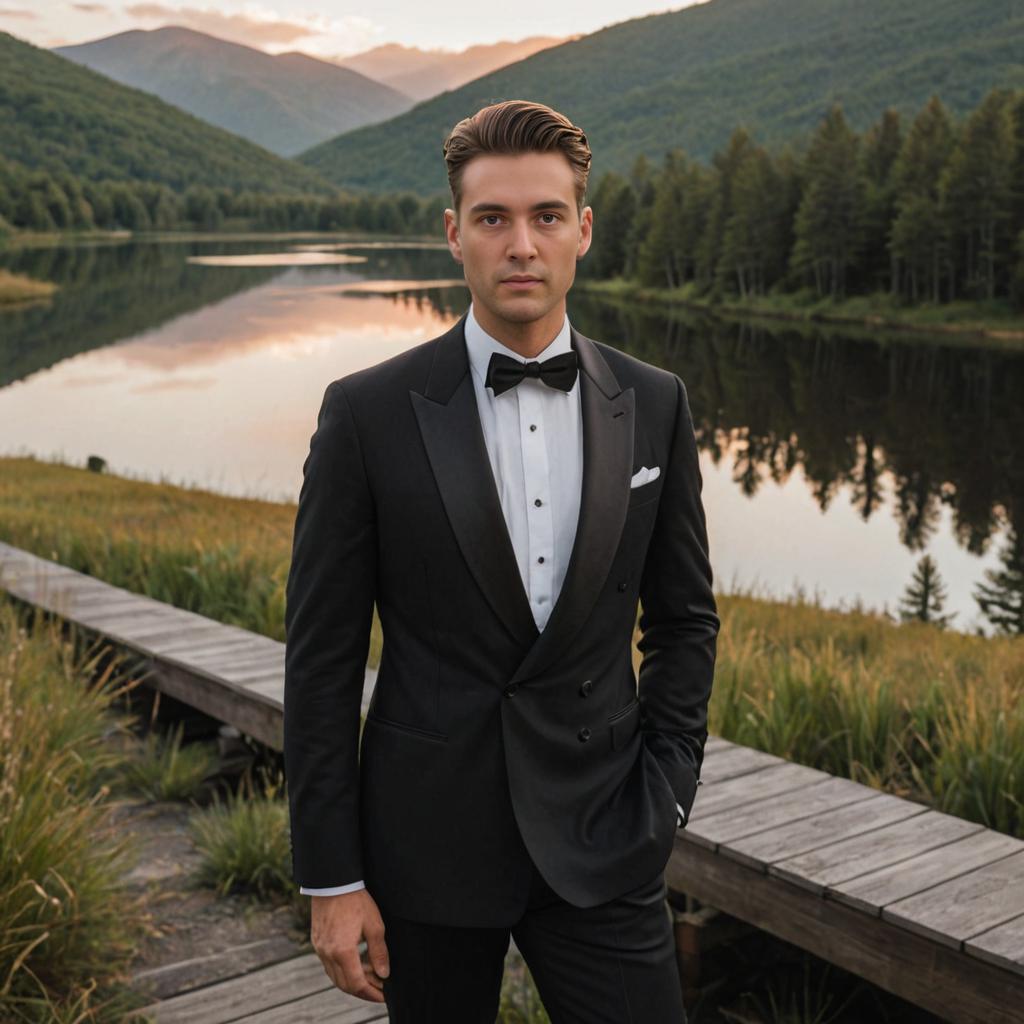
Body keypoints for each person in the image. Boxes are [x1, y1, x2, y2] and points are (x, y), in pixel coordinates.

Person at [283, 98, 719, 1023]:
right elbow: (320, 662)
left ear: (583, 232)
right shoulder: (365, 414)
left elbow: (683, 621)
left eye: (546, 216)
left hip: (608, 838)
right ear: (454, 234)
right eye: (493, 219)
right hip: (423, 850)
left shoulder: (655, 401)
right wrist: (331, 875)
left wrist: (667, 790)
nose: (521, 243)